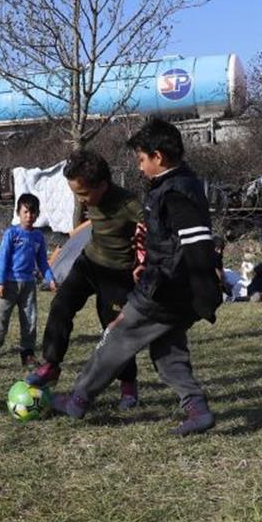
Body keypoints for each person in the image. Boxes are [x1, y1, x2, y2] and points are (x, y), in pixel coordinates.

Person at [52, 118, 222, 436]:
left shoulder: (176, 192)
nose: (140, 167)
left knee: (117, 336)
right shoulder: (180, 184)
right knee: (167, 349)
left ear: (159, 157)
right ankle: (197, 408)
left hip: (166, 289)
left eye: (142, 159)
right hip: (177, 289)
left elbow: (197, 244)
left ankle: (77, 400)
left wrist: (203, 288)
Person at [26, 150, 145, 409]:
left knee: (113, 329)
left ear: (102, 185)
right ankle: (51, 365)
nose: (79, 199)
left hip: (118, 274)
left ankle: (128, 385)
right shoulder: (88, 194)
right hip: (89, 263)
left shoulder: (129, 204)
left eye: (82, 194)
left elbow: (154, 229)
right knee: (61, 306)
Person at [0, 193, 54, 367]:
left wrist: (50, 279)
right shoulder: (12, 233)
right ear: (18, 212)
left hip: (29, 285)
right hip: (9, 283)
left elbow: (42, 262)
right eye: (25, 212)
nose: (29, 216)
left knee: (30, 318)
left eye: (33, 212)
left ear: (37, 214)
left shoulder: (38, 237)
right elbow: (3, 259)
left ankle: (27, 353)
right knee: (2, 317)